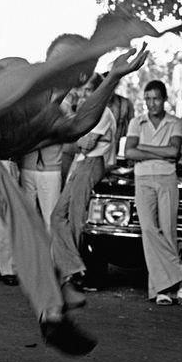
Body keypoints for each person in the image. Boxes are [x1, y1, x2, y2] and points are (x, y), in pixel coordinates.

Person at [0, 15, 153, 355]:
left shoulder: (54, 119)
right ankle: (56, 299)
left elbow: (81, 124)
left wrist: (112, 76)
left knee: (23, 212)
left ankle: (52, 313)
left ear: (82, 74)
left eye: (73, 65)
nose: (64, 69)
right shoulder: (16, 68)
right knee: (22, 74)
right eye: (59, 60)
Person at [124, 80, 182, 305]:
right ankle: (180, 278)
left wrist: (144, 148)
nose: (152, 103)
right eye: (148, 99)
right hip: (142, 180)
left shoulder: (175, 122)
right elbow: (129, 152)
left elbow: (174, 152)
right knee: (149, 230)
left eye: (156, 98)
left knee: (168, 231)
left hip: (167, 179)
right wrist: (161, 153)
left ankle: (163, 290)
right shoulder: (136, 122)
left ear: (164, 99)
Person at [50, 72, 117, 291]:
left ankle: (84, 273)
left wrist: (73, 137)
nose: (85, 94)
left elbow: (86, 143)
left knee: (78, 218)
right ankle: (73, 267)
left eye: (90, 90)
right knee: (58, 215)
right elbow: (77, 140)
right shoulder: (86, 113)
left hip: (93, 162)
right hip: (81, 163)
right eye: (84, 89)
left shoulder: (104, 112)